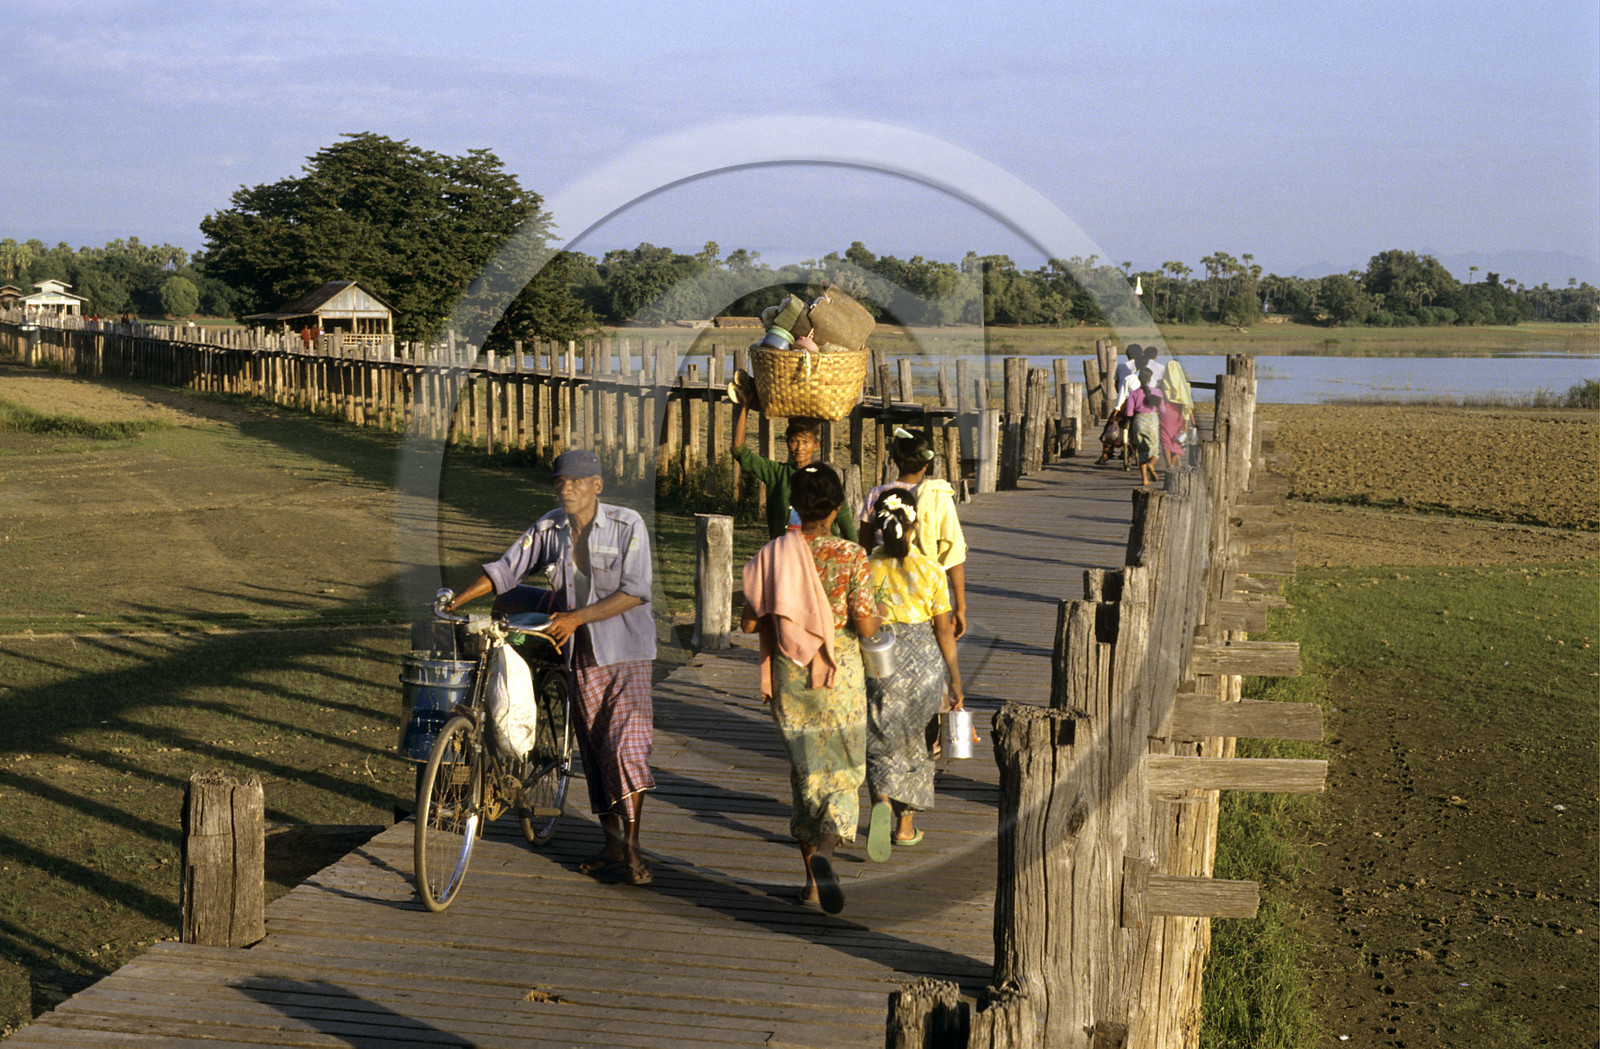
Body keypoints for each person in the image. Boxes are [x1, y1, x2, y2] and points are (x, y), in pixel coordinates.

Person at [442, 448, 657, 886]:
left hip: (627, 652)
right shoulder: (548, 528)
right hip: (580, 655)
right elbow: (506, 570)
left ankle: (632, 852)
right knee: (597, 754)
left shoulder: (627, 524)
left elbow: (635, 591)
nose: (568, 488)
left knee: (624, 748)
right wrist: (456, 600)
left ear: (597, 485)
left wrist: (576, 617)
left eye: (577, 481)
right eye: (561, 481)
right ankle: (613, 846)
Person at [740, 463, 879, 914]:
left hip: (789, 677)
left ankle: (812, 886)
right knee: (843, 772)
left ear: (794, 505)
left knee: (806, 775)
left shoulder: (772, 554)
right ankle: (826, 851)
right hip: (838, 676)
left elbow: (748, 620)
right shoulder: (851, 556)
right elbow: (864, 623)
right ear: (837, 507)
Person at [863, 491, 964, 860]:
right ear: (914, 526)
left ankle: (881, 801)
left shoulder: (865, 567)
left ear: (878, 527)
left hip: (880, 660)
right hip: (924, 663)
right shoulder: (931, 570)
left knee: (879, 734)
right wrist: (954, 679)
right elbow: (943, 630)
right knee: (919, 743)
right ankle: (905, 828)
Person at [729, 362, 859, 542]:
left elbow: (846, 525)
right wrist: (745, 407)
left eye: (805, 442)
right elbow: (739, 450)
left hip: (822, 555)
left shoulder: (825, 479)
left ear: (816, 445)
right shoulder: (777, 473)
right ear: (787, 443)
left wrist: (858, 556)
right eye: (794, 441)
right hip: (787, 554)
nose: (799, 448)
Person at [860, 427, 969, 639]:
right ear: (926, 465)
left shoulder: (876, 494)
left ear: (894, 459)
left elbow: (864, 549)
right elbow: (952, 553)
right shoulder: (937, 496)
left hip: (882, 585)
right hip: (924, 588)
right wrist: (960, 607)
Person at [1123, 367, 1164, 486]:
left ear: (1139, 378)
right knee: (1154, 450)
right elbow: (1163, 410)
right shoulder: (1157, 392)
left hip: (1139, 420)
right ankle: (1151, 465)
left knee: (1141, 450)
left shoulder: (1134, 393)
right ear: (1150, 379)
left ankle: (1144, 479)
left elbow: (1129, 413)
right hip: (1152, 420)